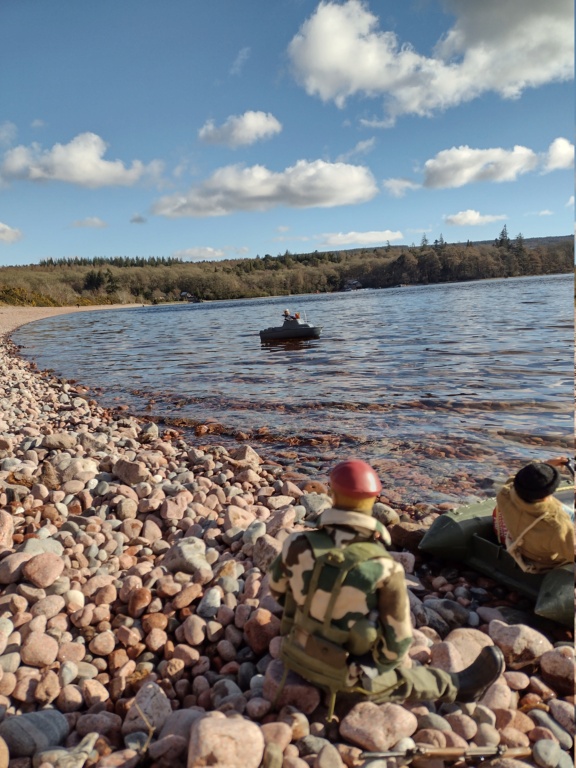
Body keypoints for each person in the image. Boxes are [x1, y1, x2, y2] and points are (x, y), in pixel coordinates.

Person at [268, 459, 504, 717]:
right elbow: (397, 646)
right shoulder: (382, 566)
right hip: (343, 675)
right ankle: (459, 687)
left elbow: (278, 591)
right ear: (373, 501)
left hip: (294, 651)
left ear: (332, 494)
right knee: (406, 679)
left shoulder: (296, 542)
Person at [493, 457, 574, 571]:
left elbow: (516, 481)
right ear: (548, 493)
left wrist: (543, 467)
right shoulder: (556, 525)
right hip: (545, 561)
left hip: (523, 542)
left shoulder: (504, 494)